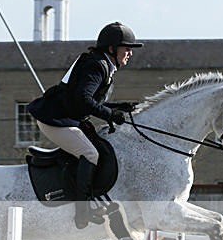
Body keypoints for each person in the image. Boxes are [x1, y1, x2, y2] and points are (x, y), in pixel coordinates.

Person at [27, 22, 143, 228]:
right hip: (54, 119)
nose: (129, 54)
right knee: (90, 154)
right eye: (126, 49)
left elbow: (87, 100)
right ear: (111, 48)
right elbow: (83, 100)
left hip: (65, 117)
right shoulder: (97, 65)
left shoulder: (102, 63)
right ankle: (83, 210)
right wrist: (110, 114)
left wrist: (118, 107)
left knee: (99, 148)